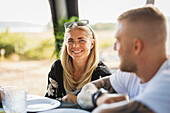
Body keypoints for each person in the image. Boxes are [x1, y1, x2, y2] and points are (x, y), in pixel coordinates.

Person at [77, 5, 170, 113]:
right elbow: (87, 89)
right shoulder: (132, 73)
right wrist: (98, 97)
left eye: (119, 41)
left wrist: (102, 105)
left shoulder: (166, 83)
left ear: (136, 47)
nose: (115, 48)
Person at [45, 20, 111, 104]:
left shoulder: (101, 73)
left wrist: (77, 101)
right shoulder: (58, 67)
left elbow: (107, 106)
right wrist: (65, 99)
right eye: (70, 41)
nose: (75, 46)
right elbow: (49, 101)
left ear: (92, 44)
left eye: (81, 40)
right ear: (66, 43)